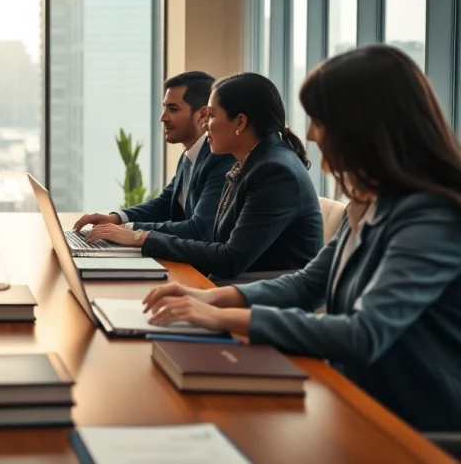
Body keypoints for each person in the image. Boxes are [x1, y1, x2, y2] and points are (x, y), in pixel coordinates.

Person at [141, 44, 461, 432]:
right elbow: (310, 283)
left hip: (415, 430)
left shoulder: (432, 219)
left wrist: (223, 317)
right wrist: (208, 297)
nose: (309, 134)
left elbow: (364, 334)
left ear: (366, 126)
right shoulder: (370, 199)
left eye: (321, 121)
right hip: (353, 402)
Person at [86, 72, 323, 280]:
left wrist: (139, 237)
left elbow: (229, 258)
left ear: (240, 122)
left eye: (210, 116)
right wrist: (125, 227)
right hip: (239, 282)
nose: (205, 124)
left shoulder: (274, 172)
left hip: (261, 294)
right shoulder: (254, 161)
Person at [74, 71, 235, 241]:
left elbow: (200, 229)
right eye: (165, 108)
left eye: (173, 109)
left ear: (202, 114)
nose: (163, 117)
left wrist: (127, 230)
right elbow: (165, 203)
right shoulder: (190, 156)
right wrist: (116, 218)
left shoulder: (221, 158)